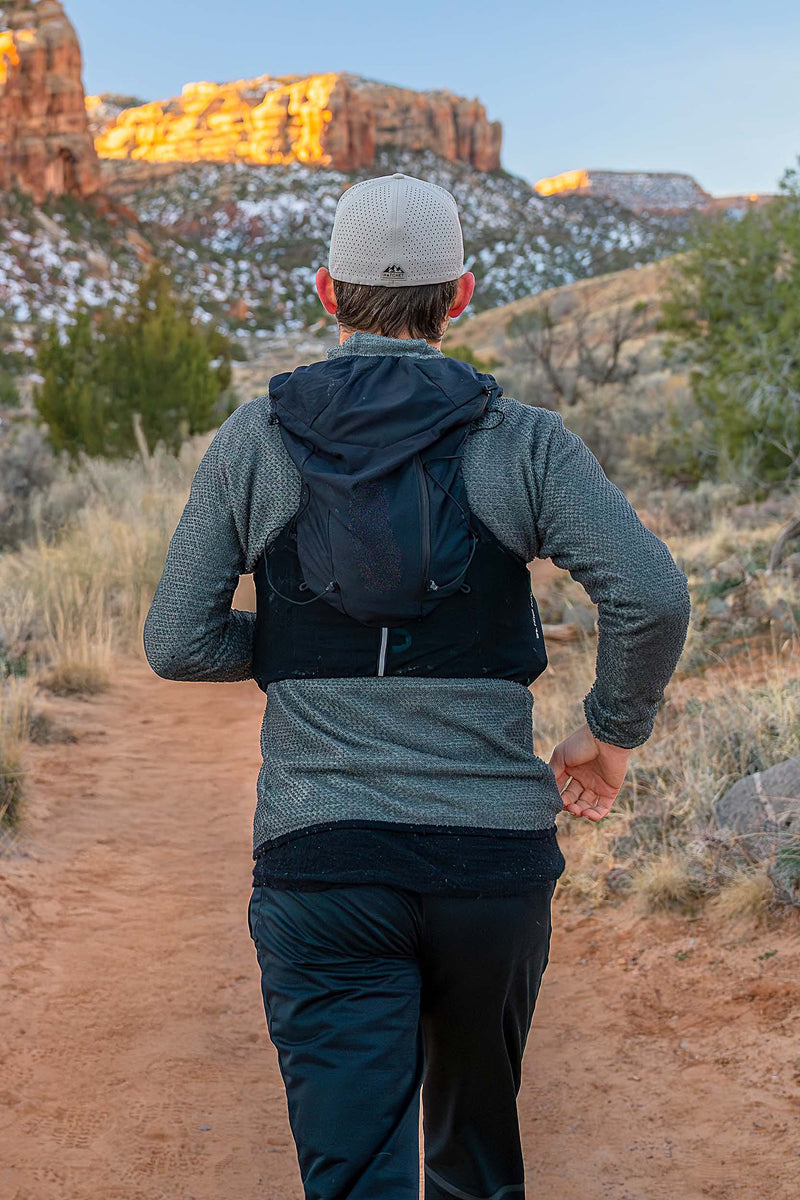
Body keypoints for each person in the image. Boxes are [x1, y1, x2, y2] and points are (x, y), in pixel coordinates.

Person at [143, 172, 691, 1200]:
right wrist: (607, 734)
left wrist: (304, 644)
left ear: (325, 292)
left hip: (322, 858)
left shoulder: (253, 440)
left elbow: (176, 640)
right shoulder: (521, 440)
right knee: (474, 1167)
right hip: (489, 864)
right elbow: (651, 596)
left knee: (354, 1180)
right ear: (463, 292)